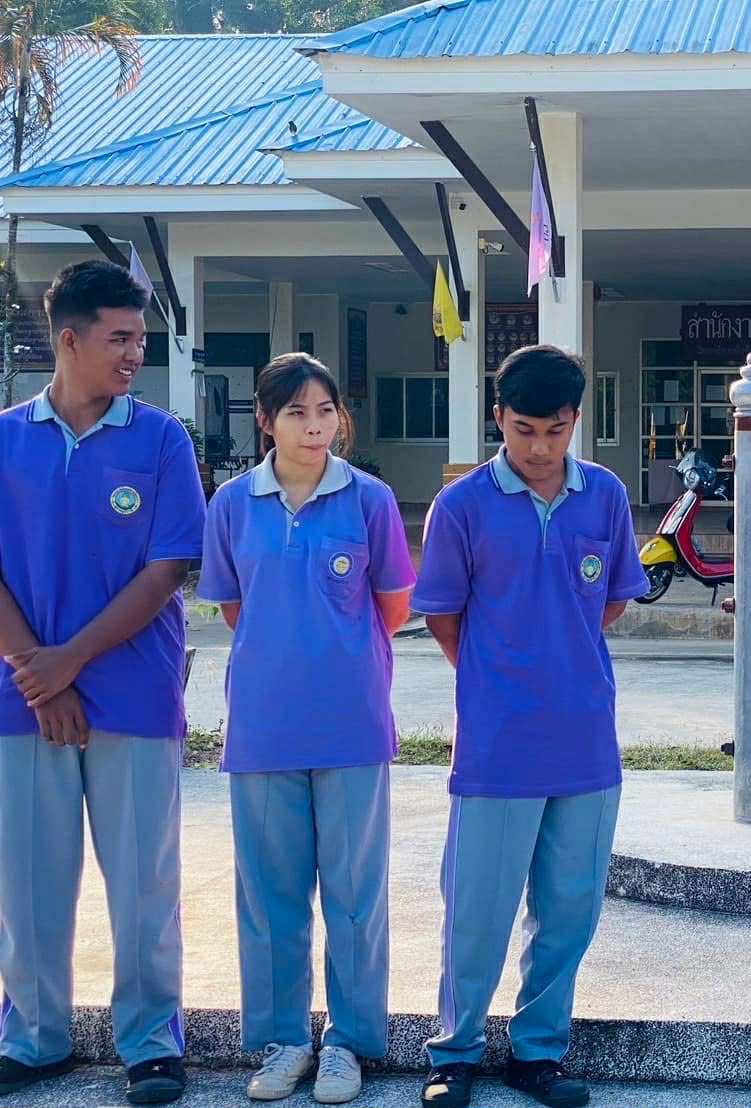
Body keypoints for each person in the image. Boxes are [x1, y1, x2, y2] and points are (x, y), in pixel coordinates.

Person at [413, 346, 647, 1108]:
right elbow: (443, 616)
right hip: (497, 744)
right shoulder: (461, 507)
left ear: (575, 420)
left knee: (569, 911)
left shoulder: (604, 496)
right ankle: (454, 1053)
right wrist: (498, 674)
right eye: (523, 430)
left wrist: (556, 655)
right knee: (476, 911)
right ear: (498, 419)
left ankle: (538, 1052)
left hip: (585, 739)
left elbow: (611, 600)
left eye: (554, 430)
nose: (539, 448)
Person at [0, 261, 206, 1104]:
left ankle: (152, 1043)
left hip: (134, 694)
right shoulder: (6, 438)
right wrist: (40, 675)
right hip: (22, 700)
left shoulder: (161, 439)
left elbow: (168, 568)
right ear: (69, 339)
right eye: (119, 338)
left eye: (140, 340)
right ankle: (34, 1038)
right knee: (27, 885)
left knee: (144, 884)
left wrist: (70, 661)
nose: (133, 355)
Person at [197, 354, 415, 1105]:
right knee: (270, 897)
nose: (315, 426)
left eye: (325, 410)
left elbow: (392, 606)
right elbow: (235, 607)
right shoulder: (232, 504)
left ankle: (349, 1043)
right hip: (263, 727)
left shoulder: (370, 500)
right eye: (296, 412)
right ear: (266, 421)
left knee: (355, 896)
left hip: (352, 723)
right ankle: (283, 1040)